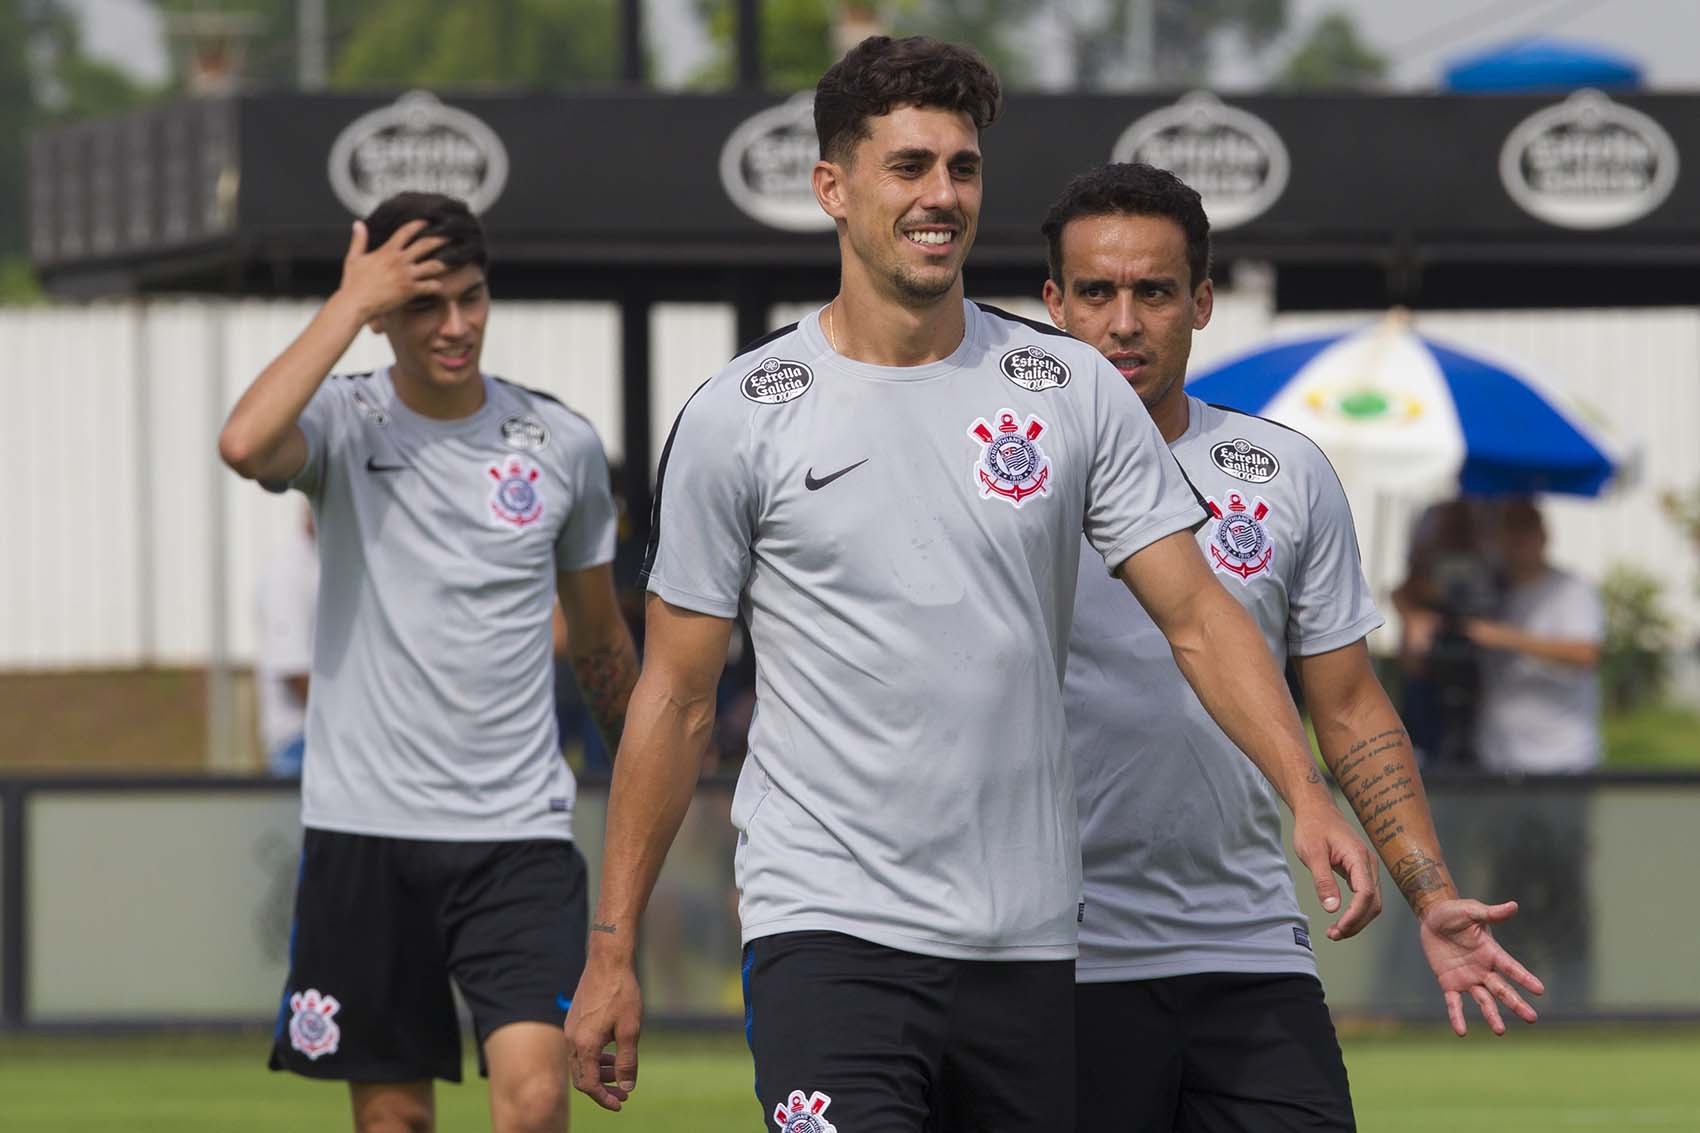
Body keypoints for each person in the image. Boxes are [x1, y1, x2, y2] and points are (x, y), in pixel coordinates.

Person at [565, 38, 1379, 1133]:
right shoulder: (739, 414)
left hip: (1027, 943)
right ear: (832, 188)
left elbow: (1194, 613)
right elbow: (672, 696)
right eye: (907, 167)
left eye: (961, 167)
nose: (940, 196)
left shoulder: (1067, 387)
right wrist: (613, 947)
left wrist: (1305, 787)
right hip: (827, 926)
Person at [1040, 162, 1544, 1131]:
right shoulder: (1004, 474)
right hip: (1056, 958)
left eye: (1152, 291)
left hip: (1247, 950)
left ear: (1200, 302)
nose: (1123, 321)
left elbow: (1349, 703)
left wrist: (1428, 890)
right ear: (1053, 303)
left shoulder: (1282, 472)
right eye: (1095, 292)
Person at [218, 191, 640, 1133]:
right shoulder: (341, 422)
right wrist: (347, 303)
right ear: (380, 315)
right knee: (394, 1121)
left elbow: (601, 637)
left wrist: (650, 765)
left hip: (517, 834)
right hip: (363, 829)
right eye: (424, 304)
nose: (456, 326)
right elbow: (244, 442)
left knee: (533, 1105)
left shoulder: (559, 444)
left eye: (473, 298)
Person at [1467, 496, 1602, 1002]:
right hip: (1502, 766)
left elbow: (1585, 653)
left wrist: (1506, 639)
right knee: (1507, 891)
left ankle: (1578, 997)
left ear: (1544, 537)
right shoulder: (1490, 592)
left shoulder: (1570, 591)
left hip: (1562, 766)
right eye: (1509, 532)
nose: (1518, 544)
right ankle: (1516, 991)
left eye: (1527, 532)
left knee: (1565, 885)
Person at [255, 505, 317, 777]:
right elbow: (294, 671)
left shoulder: (330, 562)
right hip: (300, 741)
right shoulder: (289, 572)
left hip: (330, 740)